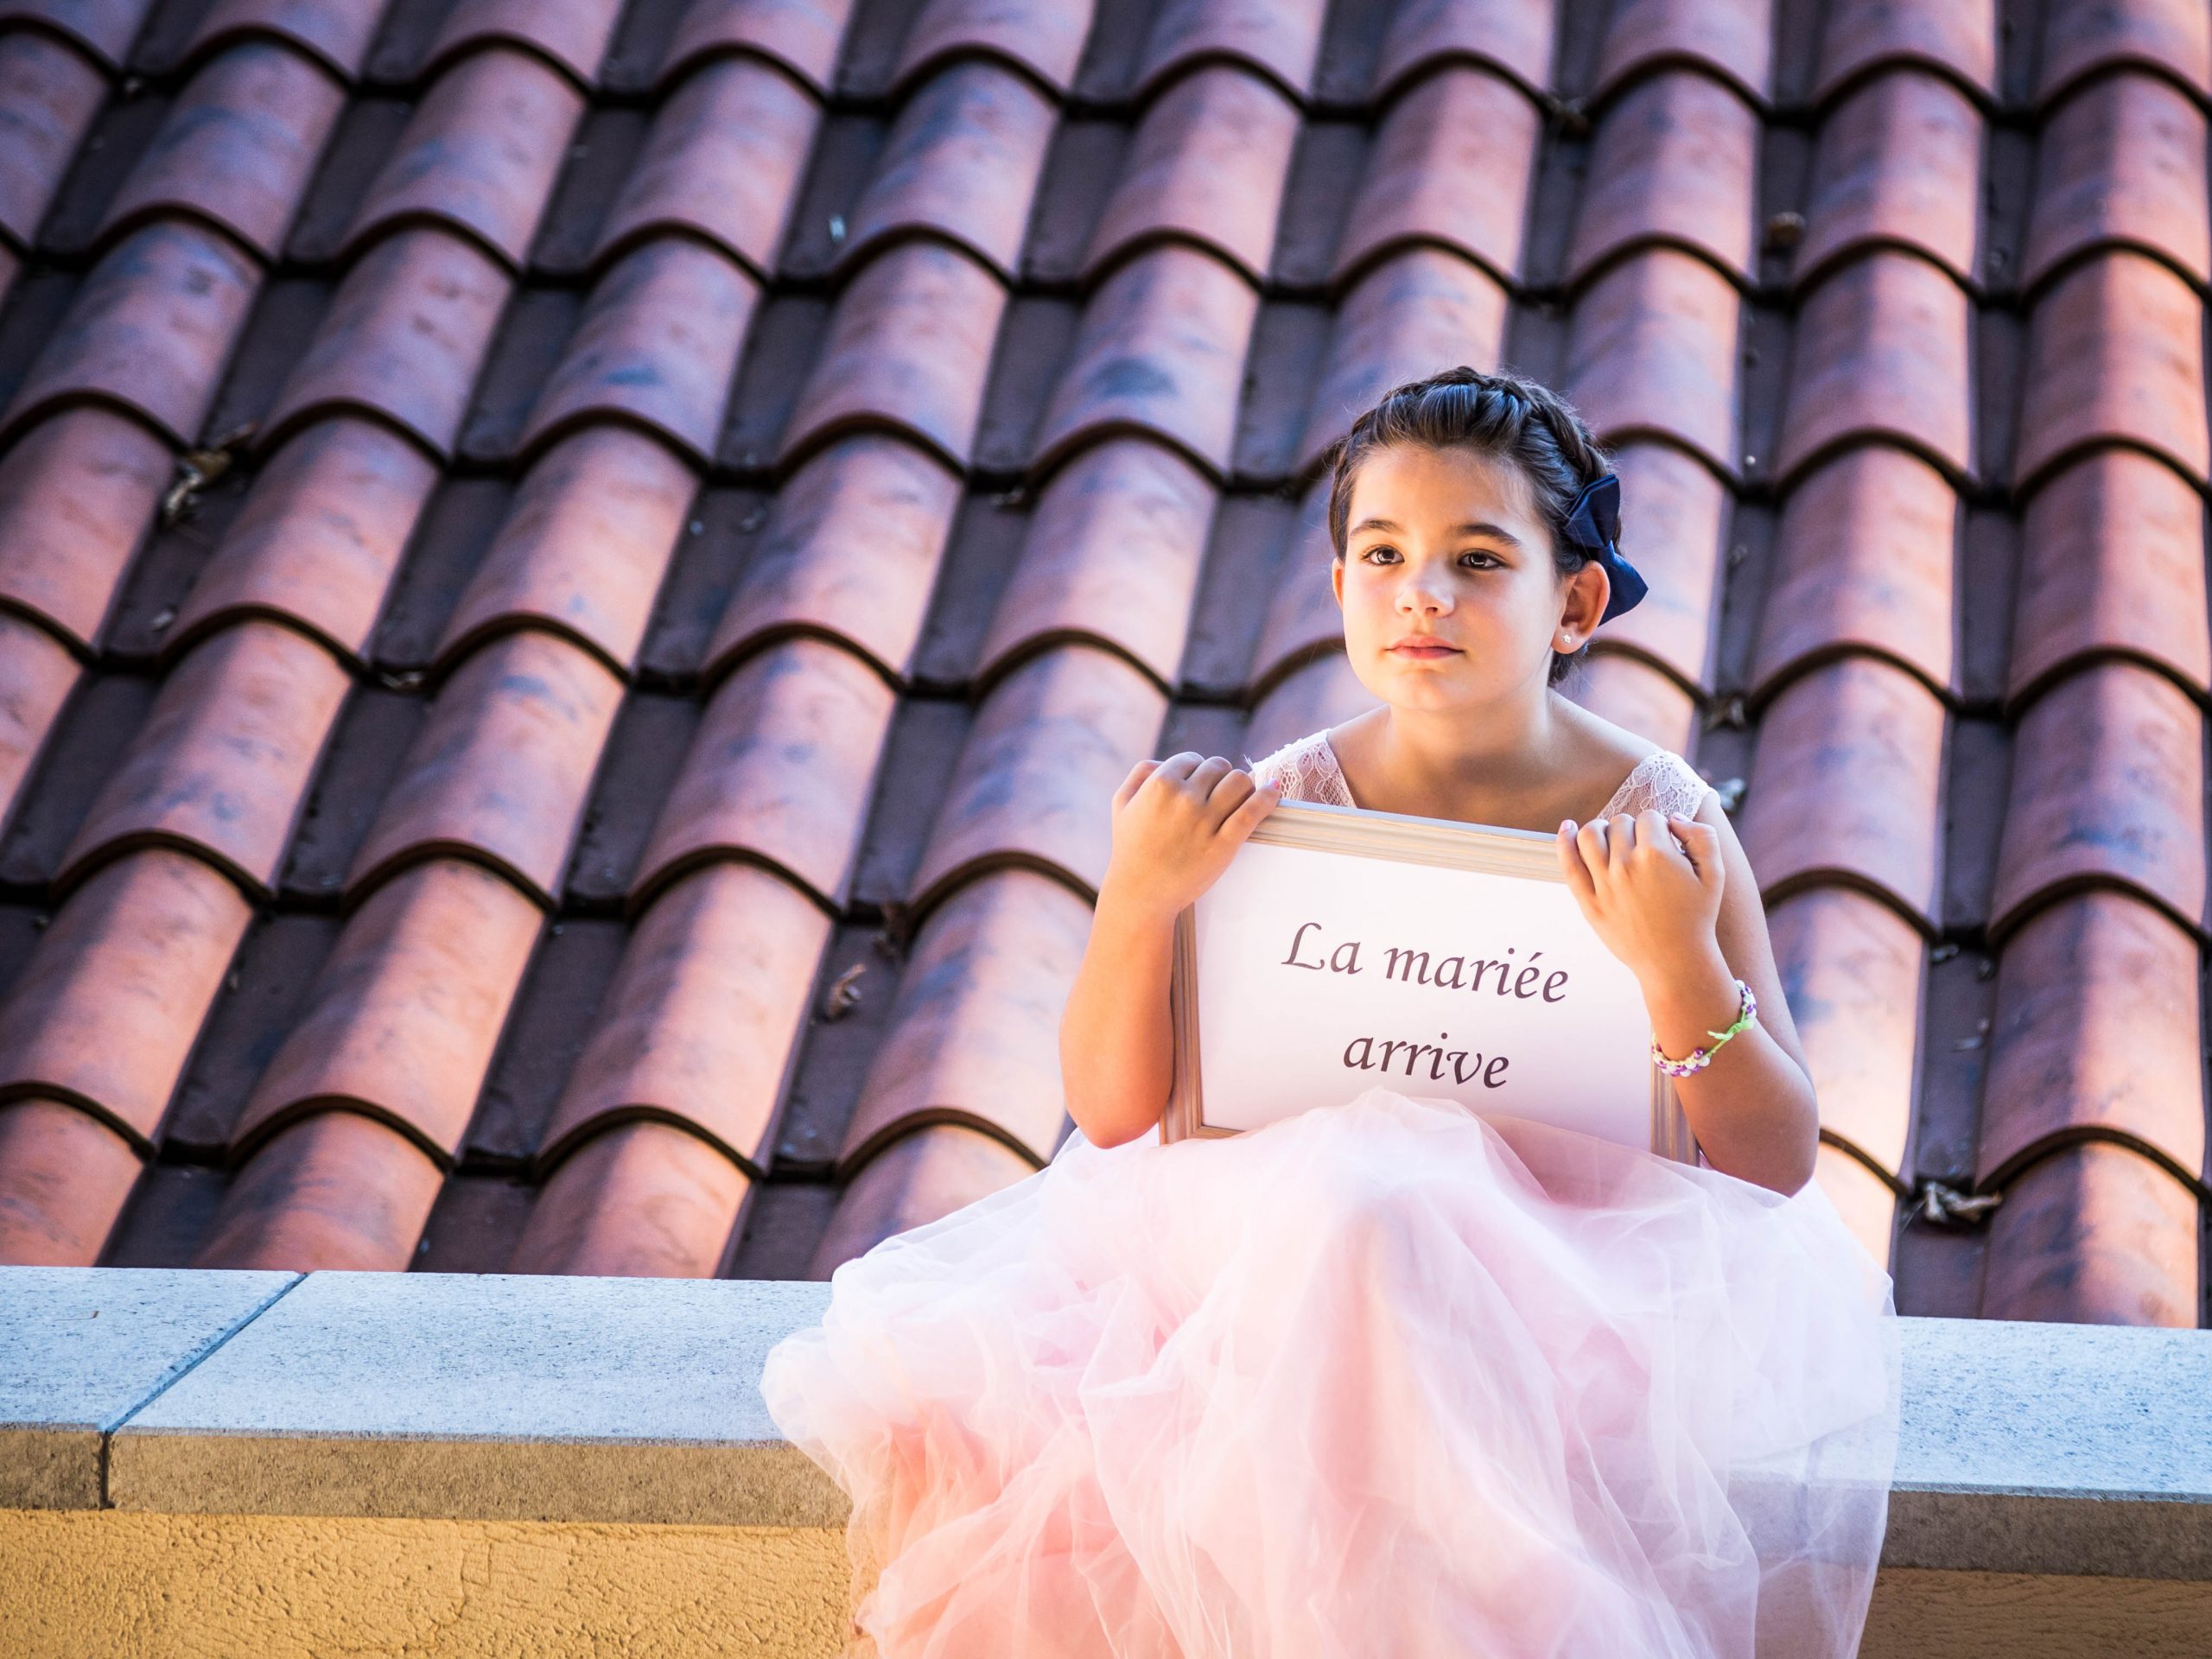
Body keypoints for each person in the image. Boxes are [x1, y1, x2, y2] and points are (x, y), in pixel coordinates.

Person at [760, 365, 1901, 1658]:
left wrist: (1680, 966)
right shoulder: (1275, 809)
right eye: (1384, 553)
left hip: (1573, 1288)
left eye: (1480, 559)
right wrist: (1139, 900)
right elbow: (1116, 1114)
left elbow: (1774, 1160)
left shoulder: (1660, 823)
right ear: (1342, 586)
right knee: (1367, 1211)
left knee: (1387, 1215)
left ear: (1575, 603)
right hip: (1280, 1266)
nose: (1424, 592)